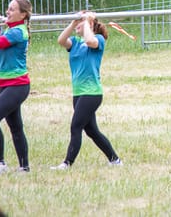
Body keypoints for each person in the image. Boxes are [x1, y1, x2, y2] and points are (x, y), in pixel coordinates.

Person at [50, 11, 122, 170]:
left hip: (92, 93)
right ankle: (115, 160)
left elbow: (90, 41)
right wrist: (74, 23)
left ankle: (67, 163)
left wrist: (88, 21)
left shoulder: (99, 40)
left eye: (82, 22)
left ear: (89, 25)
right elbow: (61, 40)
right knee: (92, 131)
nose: (78, 24)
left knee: (76, 126)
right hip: (78, 93)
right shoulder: (75, 43)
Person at [0, 0, 33, 174]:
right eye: (8, 9)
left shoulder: (18, 32)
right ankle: (24, 167)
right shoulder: (10, 30)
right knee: (16, 127)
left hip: (17, 85)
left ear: (23, 15)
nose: (7, 12)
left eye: (12, 9)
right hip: (6, 84)